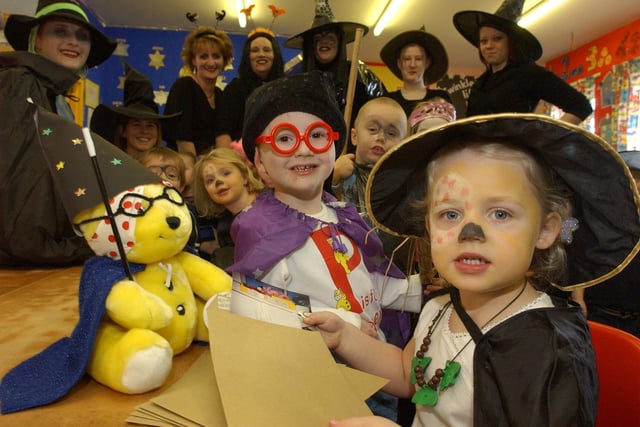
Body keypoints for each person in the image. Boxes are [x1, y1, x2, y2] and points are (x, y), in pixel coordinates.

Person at [305, 113, 640, 426]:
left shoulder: (547, 347)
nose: (471, 233)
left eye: (500, 214)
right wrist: (344, 337)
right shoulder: (439, 307)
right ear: (429, 227)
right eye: (450, 215)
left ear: (545, 230)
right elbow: (409, 373)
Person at [228, 69, 424, 341]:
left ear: (335, 148)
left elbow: (366, 284)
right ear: (260, 163)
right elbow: (257, 310)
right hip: (318, 373)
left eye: (317, 135)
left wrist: (420, 289)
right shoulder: (260, 229)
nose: (304, 149)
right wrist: (346, 323)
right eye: (285, 139)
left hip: (374, 363)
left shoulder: (343, 216)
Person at [0, 0, 116, 266]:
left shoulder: (54, 97)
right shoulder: (20, 84)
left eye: (81, 36)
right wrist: (76, 248)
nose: (73, 42)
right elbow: (18, 187)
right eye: (60, 31)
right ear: (37, 40)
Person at [453, 0, 593, 124]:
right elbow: (470, 125)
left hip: (514, 152)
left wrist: (547, 139)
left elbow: (581, 106)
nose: (489, 45)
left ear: (511, 42)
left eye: (497, 38)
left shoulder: (529, 73)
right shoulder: (480, 84)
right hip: (480, 151)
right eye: (484, 41)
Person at [284, 0, 386, 133]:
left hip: (350, 147)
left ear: (339, 42)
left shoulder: (360, 74)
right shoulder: (298, 80)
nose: (324, 41)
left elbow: (383, 110)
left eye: (330, 37)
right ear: (311, 47)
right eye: (317, 39)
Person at [572, 150, 640, 338]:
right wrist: (577, 298)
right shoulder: (592, 214)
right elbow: (575, 250)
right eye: (630, 178)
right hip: (598, 313)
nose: (636, 185)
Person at [163, 26, 233, 156]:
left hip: (211, 167)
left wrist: (224, 167)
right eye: (204, 56)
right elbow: (183, 141)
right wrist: (198, 173)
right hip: (185, 165)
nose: (211, 62)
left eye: (216, 56)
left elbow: (223, 137)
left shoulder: (220, 95)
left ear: (224, 61)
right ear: (193, 60)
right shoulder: (184, 87)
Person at [193, 147, 266, 268]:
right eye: (210, 180)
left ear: (244, 176)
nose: (218, 181)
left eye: (226, 173)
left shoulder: (273, 201)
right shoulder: (225, 230)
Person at [90, 62, 181, 159]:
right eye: (136, 124)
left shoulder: (167, 170)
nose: (144, 131)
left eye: (150, 125)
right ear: (123, 131)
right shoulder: (110, 168)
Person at [214, 28, 285, 148]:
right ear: (248, 57)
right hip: (243, 159)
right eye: (255, 50)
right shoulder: (235, 89)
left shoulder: (286, 88)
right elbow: (223, 132)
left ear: (275, 55)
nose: (261, 54)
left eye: (267, 50)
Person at [380, 28, 453, 119]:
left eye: (418, 59)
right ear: (399, 64)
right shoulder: (387, 101)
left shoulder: (441, 98)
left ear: (427, 63)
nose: (412, 65)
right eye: (407, 59)